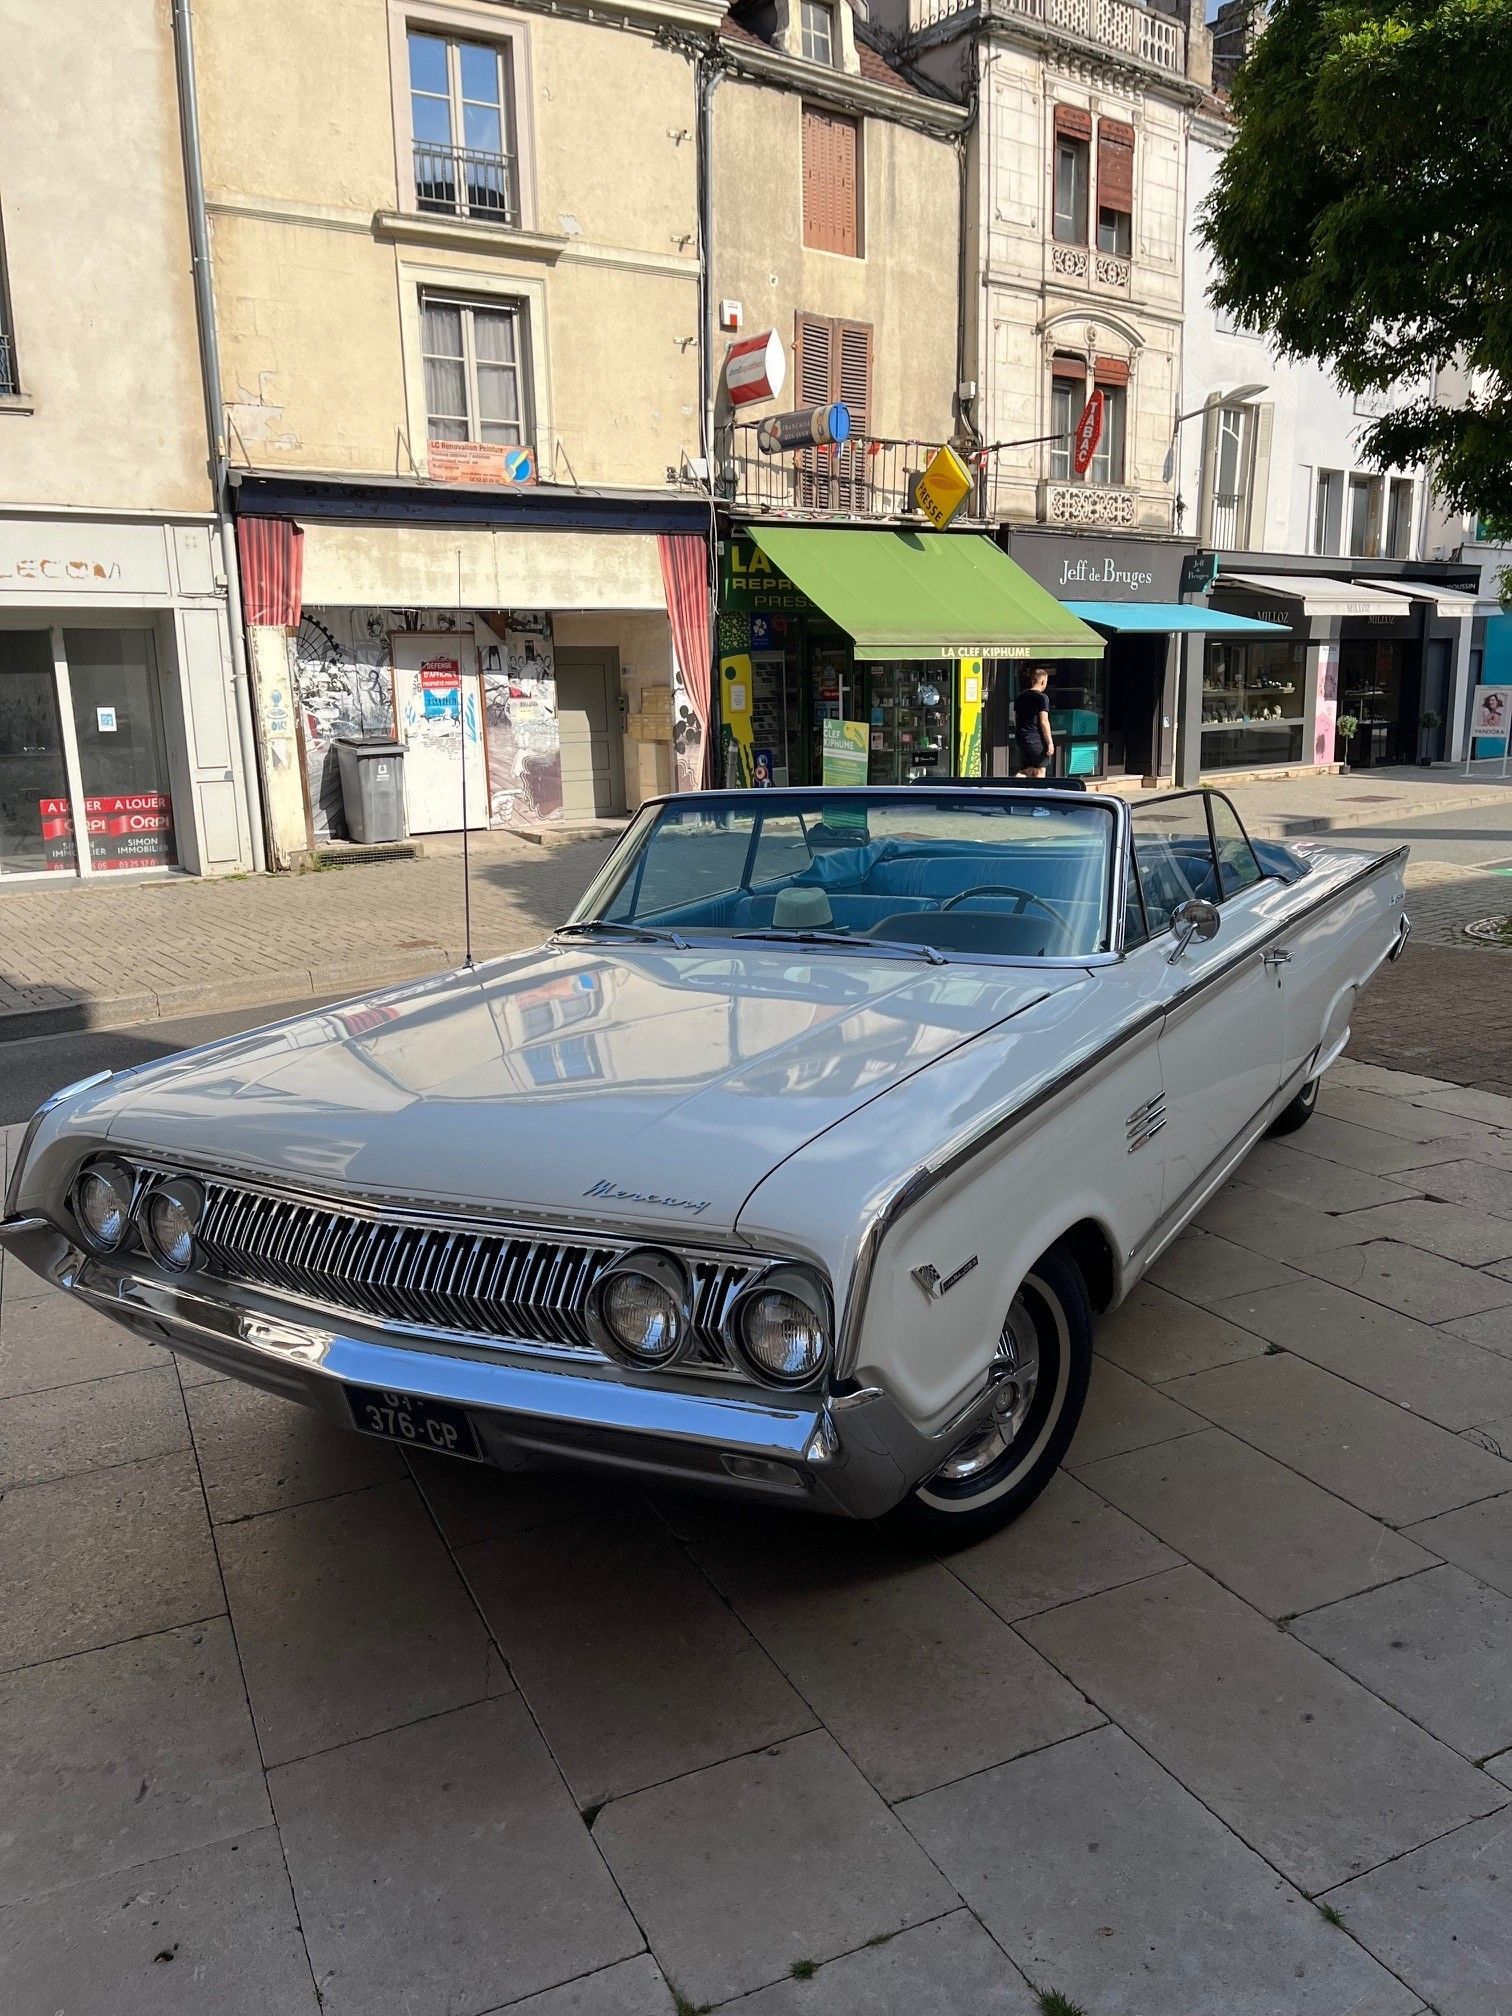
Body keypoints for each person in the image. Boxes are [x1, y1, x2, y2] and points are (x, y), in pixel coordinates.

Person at [1013, 666, 1055, 777]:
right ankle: (1039, 793)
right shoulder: (1042, 698)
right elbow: (1044, 722)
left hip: (1021, 739)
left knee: (1026, 770)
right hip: (1036, 740)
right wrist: (1050, 743)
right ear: (1043, 681)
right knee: (1040, 770)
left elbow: (1016, 718)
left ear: (1032, 680)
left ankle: (1015, 789)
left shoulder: (1020, 697)